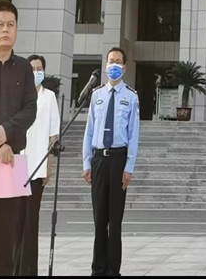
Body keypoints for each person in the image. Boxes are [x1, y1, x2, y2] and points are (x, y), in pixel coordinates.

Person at [0, 0, 38, 275]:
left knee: (7, 243)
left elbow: (30, 109)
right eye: (0, 24)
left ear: (16, 29)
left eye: (11, 24)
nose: (5, 29)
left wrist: (6, 132)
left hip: (11, 163)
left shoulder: (24, 68)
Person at [82, 47, 140, 277]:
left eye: (118, 62)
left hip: (118, 159)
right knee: (99, 221)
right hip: (99, 159)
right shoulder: (96, 95)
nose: (113, 65)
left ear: (124, 67)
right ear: (105, 65)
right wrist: (87, 162)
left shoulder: (131, 97)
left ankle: (113, 271)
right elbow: (89, 131)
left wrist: (129, 167)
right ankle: (98, 270)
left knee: (114, 223)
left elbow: (134, 135)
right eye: (110, 61)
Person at [16, 54, 61, 276]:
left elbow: (53, 135)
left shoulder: (49, 97)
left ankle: (28, 270)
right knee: (15, 221)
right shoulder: (18, 95)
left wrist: (48, 168)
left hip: (38, 167)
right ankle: (14, 268)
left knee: (31, 221)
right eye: (32, 68)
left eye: (39, 68)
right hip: (17, 166)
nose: (36, 72)